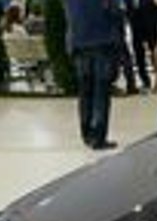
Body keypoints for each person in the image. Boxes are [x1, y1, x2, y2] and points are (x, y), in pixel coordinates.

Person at [63, 0, 120, 150]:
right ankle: (98, 137)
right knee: (101, 91)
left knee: (85, 91)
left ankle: (86, 134)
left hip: (78, 41)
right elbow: (114, 11)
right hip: (102, 40)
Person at [126, 0, 157, 90]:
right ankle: (145, 81)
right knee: (139, 54)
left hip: (152, 23)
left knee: (155, 52)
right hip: (135, 24)